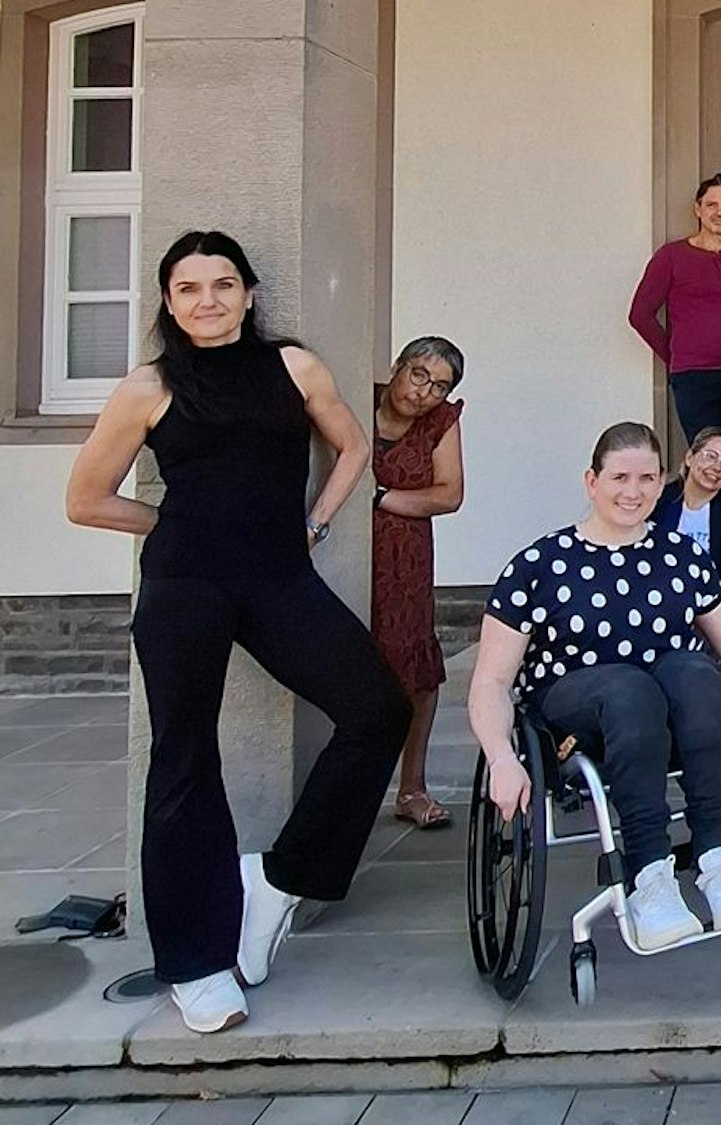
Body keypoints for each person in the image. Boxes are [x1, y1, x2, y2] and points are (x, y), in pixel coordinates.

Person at [64, 231, 411, 1034]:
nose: (208, 300)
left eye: (224, 284)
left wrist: (316, 522)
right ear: (168, 302)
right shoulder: (148, 386)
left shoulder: (294, 368)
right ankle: (195, 963)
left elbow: (353, 445)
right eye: (189, 288)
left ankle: (280, 879)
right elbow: (85, 498)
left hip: (278, 577)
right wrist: (174, 522)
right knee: (183, 758)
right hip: (185, 583)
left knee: (377, 709)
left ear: (250, 294)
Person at [466, 422, 721, 952]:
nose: (633, 491)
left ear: (662, 481)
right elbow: (491, 680)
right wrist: (501, 756)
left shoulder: (682, 556)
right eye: (619, 477)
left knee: (697, 673)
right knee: (629, 690)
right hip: (573, 707)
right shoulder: (540, 565)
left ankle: (716, 857)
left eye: (645, 478)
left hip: (669, 704)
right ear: (591, 481)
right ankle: (649, 875)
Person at [371, 335, 467, 831]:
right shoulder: (356, 400)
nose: (423, 391)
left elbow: (449, 494)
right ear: (398, 367)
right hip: (344, 551)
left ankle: (412, 788)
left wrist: (381, 496)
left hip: (405, 558)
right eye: (418, 375)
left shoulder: (441, 421)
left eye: (439, 386)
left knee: (416, 671)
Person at [628, 172, 721, 451]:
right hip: (694, 377)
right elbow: (640, 314)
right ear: (698, 209)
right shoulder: (671, 257)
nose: (719, 212)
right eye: (712, 205)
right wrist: (676, 354)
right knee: (709, 458)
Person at [652, 427, 721, 623]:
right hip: (659, 605)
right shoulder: (658, 501)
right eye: (711, 456)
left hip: (708, 614)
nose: (717, 468)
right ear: (690, 458)